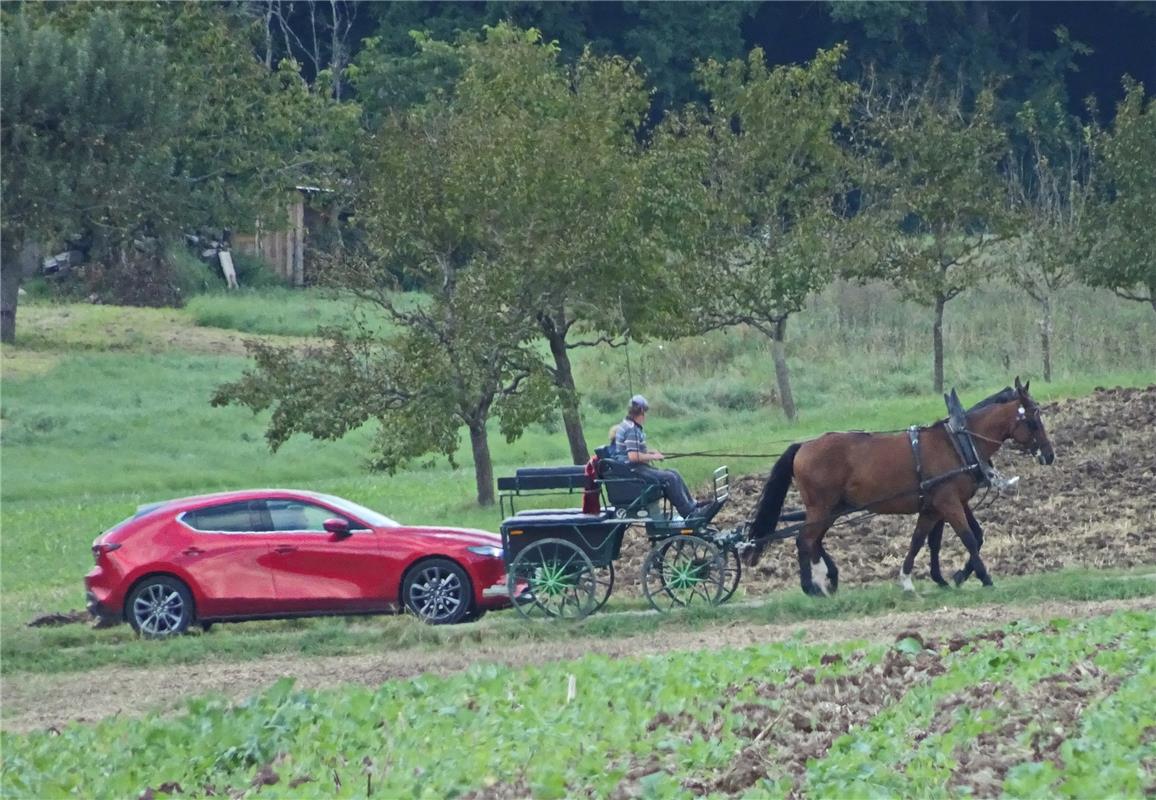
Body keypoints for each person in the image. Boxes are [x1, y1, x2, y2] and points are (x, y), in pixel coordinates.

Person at [612, 394, 706, 518]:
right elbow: (633, 457)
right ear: (640, 412)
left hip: (634, 468)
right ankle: (688, 513)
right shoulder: (632, 430)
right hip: (633, 470)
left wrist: (650, 453)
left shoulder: (627, 425)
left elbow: (633, 450)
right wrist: (653, 457)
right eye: (644, 412)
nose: (645, 416)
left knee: (674, 472)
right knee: (669, 478)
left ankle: (692, 504)